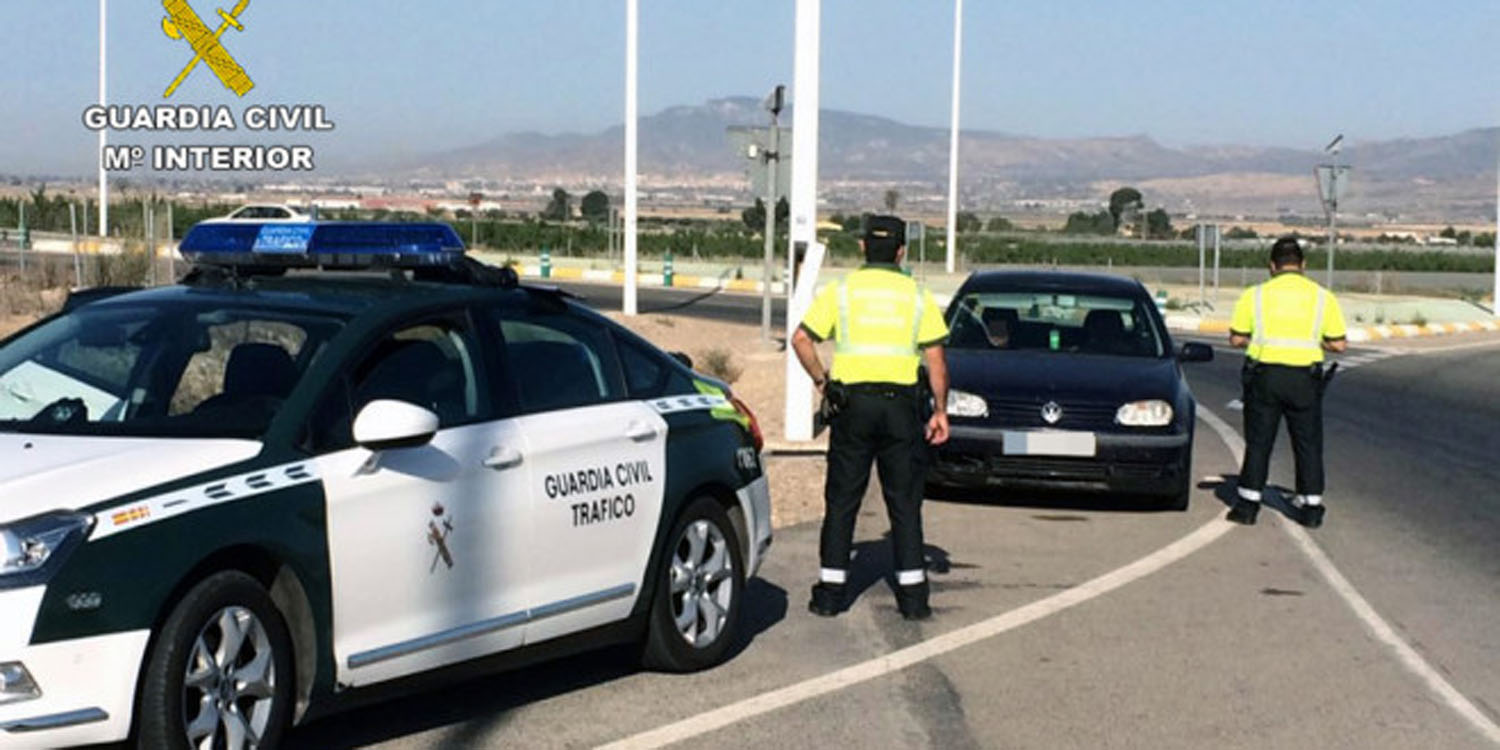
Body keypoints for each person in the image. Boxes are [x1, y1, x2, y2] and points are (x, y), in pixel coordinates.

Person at [790, 214, 951, 620]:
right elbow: (936, 359)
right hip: (901, 410)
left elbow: (801, 339)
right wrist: (941, 411)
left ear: (862, 247)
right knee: (904, 502)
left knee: (843, 501)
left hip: (852, 409)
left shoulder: (841, 292)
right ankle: (914, 600)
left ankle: (830, 593)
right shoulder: (917, 295)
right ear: (901, 251)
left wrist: (823, 383)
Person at [1226, 236, 1347, 528]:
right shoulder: (1322, 297)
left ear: (1272, 266)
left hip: (1264, 376)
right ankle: (1310, 507)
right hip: (1304, 380)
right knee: (1307, 443)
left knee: (1259, 442)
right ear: (1303, 266)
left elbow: (1236, 338)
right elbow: (1339, 345)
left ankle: (1247, 505)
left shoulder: (1254, 295)